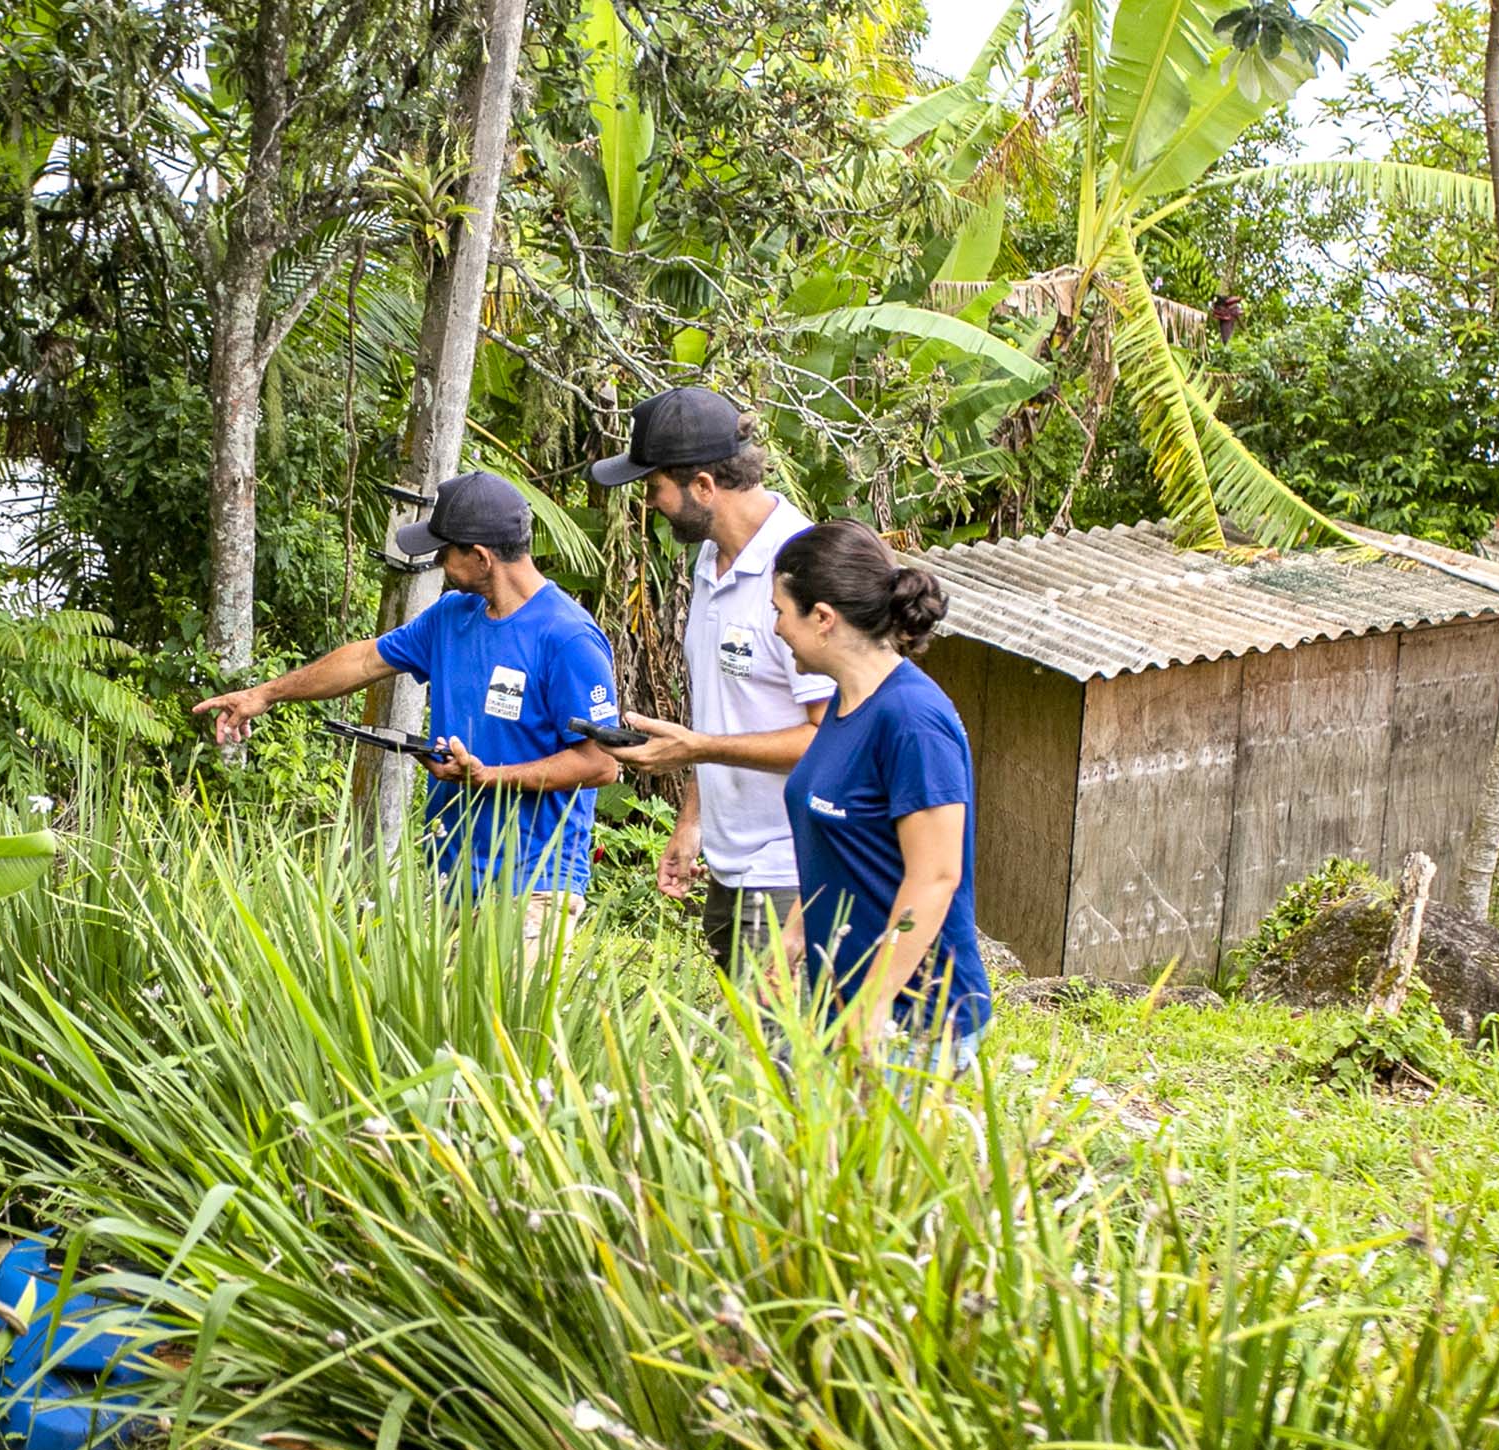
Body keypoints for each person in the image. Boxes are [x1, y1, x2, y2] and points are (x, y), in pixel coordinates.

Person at [193, 471, 620, 947]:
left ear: (481, 557)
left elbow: (601, 764)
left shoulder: (567, 638)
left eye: (444, 552)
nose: (438, 562)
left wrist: (488, 777)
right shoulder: (452, 616)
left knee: (506, 1002)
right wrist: (266, 694)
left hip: (534, 884)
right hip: (452, 876)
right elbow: (364, 661)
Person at [586, 387, 832, 971]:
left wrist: (695, 748)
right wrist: (692, 821)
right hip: (727, 865)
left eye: (654, 487)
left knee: (769, 1032)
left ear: (702, 486)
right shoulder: (709, 559)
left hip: (791, 871)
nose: (650, 503)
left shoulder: (802, 568)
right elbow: (725, 710)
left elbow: (831, 739)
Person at [760, 520, 990, 1065]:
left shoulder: (912, 720)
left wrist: (874, 1001)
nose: (776, 628)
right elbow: (842, 848)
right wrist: (795, 934)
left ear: (822, 618)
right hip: (842, 1005)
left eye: (780, 611)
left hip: (913, 1021)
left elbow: (936, 876)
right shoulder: (846, 703)